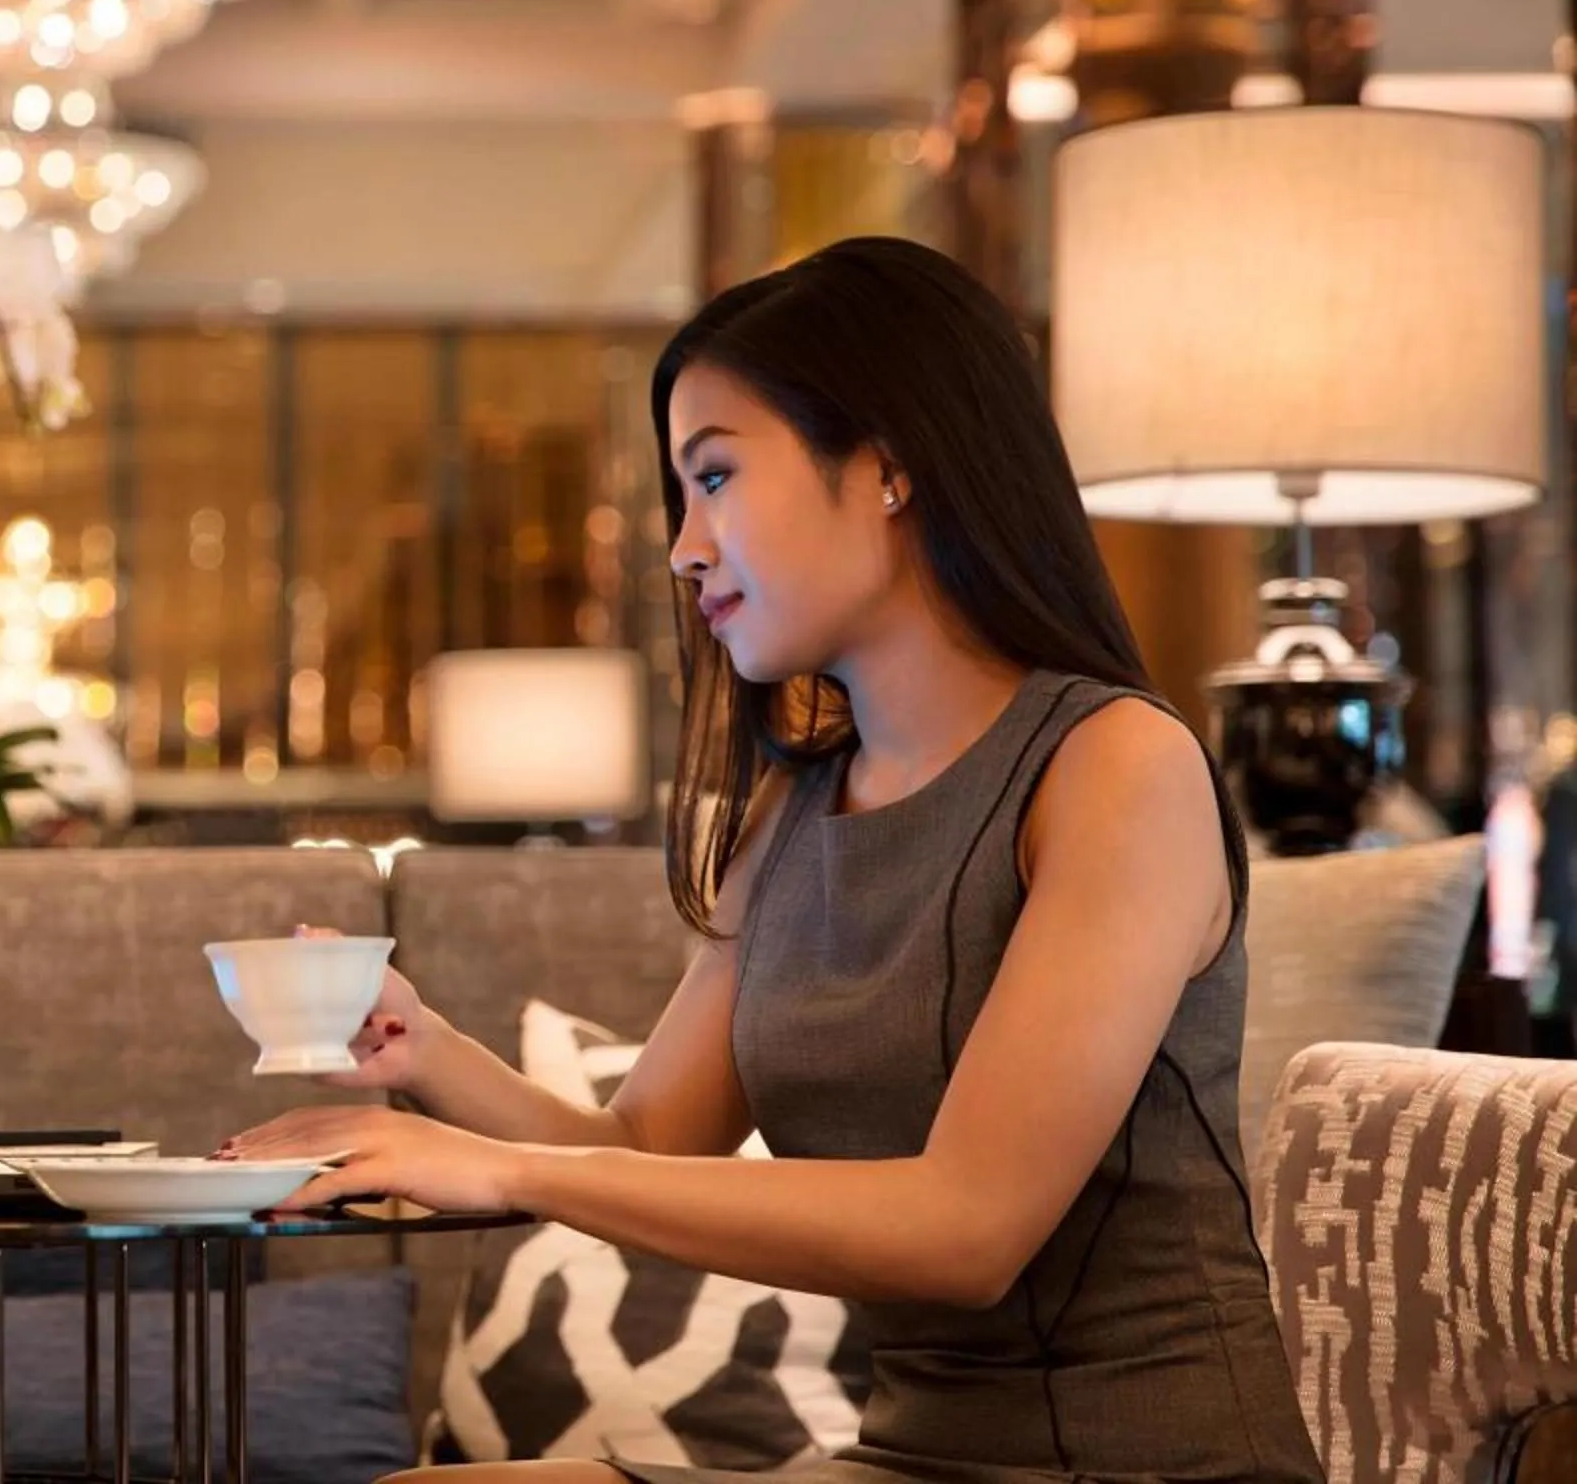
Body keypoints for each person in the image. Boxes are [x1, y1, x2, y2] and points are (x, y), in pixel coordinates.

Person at [221, 237, 1324, 1484]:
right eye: (681, 498)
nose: (686, 546)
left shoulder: (1116, 767)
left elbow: (969, 1228)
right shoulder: (793, 814)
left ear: (892, 465)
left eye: (718, 477)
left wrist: (501, 1168)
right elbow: (647, 1146)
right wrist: (423, 1048)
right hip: (908, 1459)